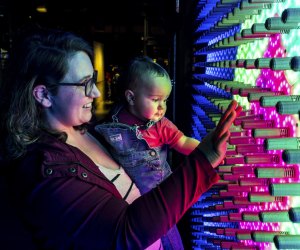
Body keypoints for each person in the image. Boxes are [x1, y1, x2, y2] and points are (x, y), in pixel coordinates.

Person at [1, 27, 241, 250]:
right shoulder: (44, 172)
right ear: (43, 95)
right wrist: (204, 160)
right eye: (84, 84)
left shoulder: (90, 131)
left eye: (93, 80)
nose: (95, 93)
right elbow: (126, 233)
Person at [95, 56, 201, 249]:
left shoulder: (161, 126)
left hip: (159, 202)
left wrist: (207, 150)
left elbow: (184, 142)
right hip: (126, 204)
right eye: (155, 99)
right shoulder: (112, 125)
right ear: (131, 97)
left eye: (165, 100)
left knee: (170, 241)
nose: (162, 107)